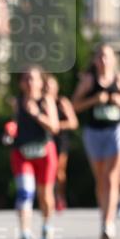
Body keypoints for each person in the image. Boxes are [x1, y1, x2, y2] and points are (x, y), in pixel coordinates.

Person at [72, 44, 120, 239]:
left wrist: (118, 100)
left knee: (111, 177)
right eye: (100, 57)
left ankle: (109, 222)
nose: (103, 60)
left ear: (113, 60)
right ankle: (103, 217)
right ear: (95, 60)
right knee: (100, 179)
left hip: (116, 131)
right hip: (94, 132)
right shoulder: (89, 81)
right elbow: (74, 105)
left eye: (107, 56)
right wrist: (94, 100)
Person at [9, 67, 60, 239]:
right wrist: (9, 131)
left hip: (44, 153)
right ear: (22, 83)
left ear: (41, 82)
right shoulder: (17, 102)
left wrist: (37, 114)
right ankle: (24, 234)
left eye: (33, 79)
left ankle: (47, 228)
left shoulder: (46, 101)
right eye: (26, 79)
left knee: (45, 194)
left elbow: (54, 128)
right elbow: (14, 125)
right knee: (25, 192)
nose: (30, 83)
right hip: (22, 153)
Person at [44, 75, 78, 211]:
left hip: (60, 141)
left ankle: (59, 197)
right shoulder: (41, 103)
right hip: (45, 140)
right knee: (46, 171)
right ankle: (47, 197)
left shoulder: (62, 102)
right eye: (47, 86)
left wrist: (56, 125)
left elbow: (73, 123)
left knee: (59, 171)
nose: (49, 89)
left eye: (51, 87)